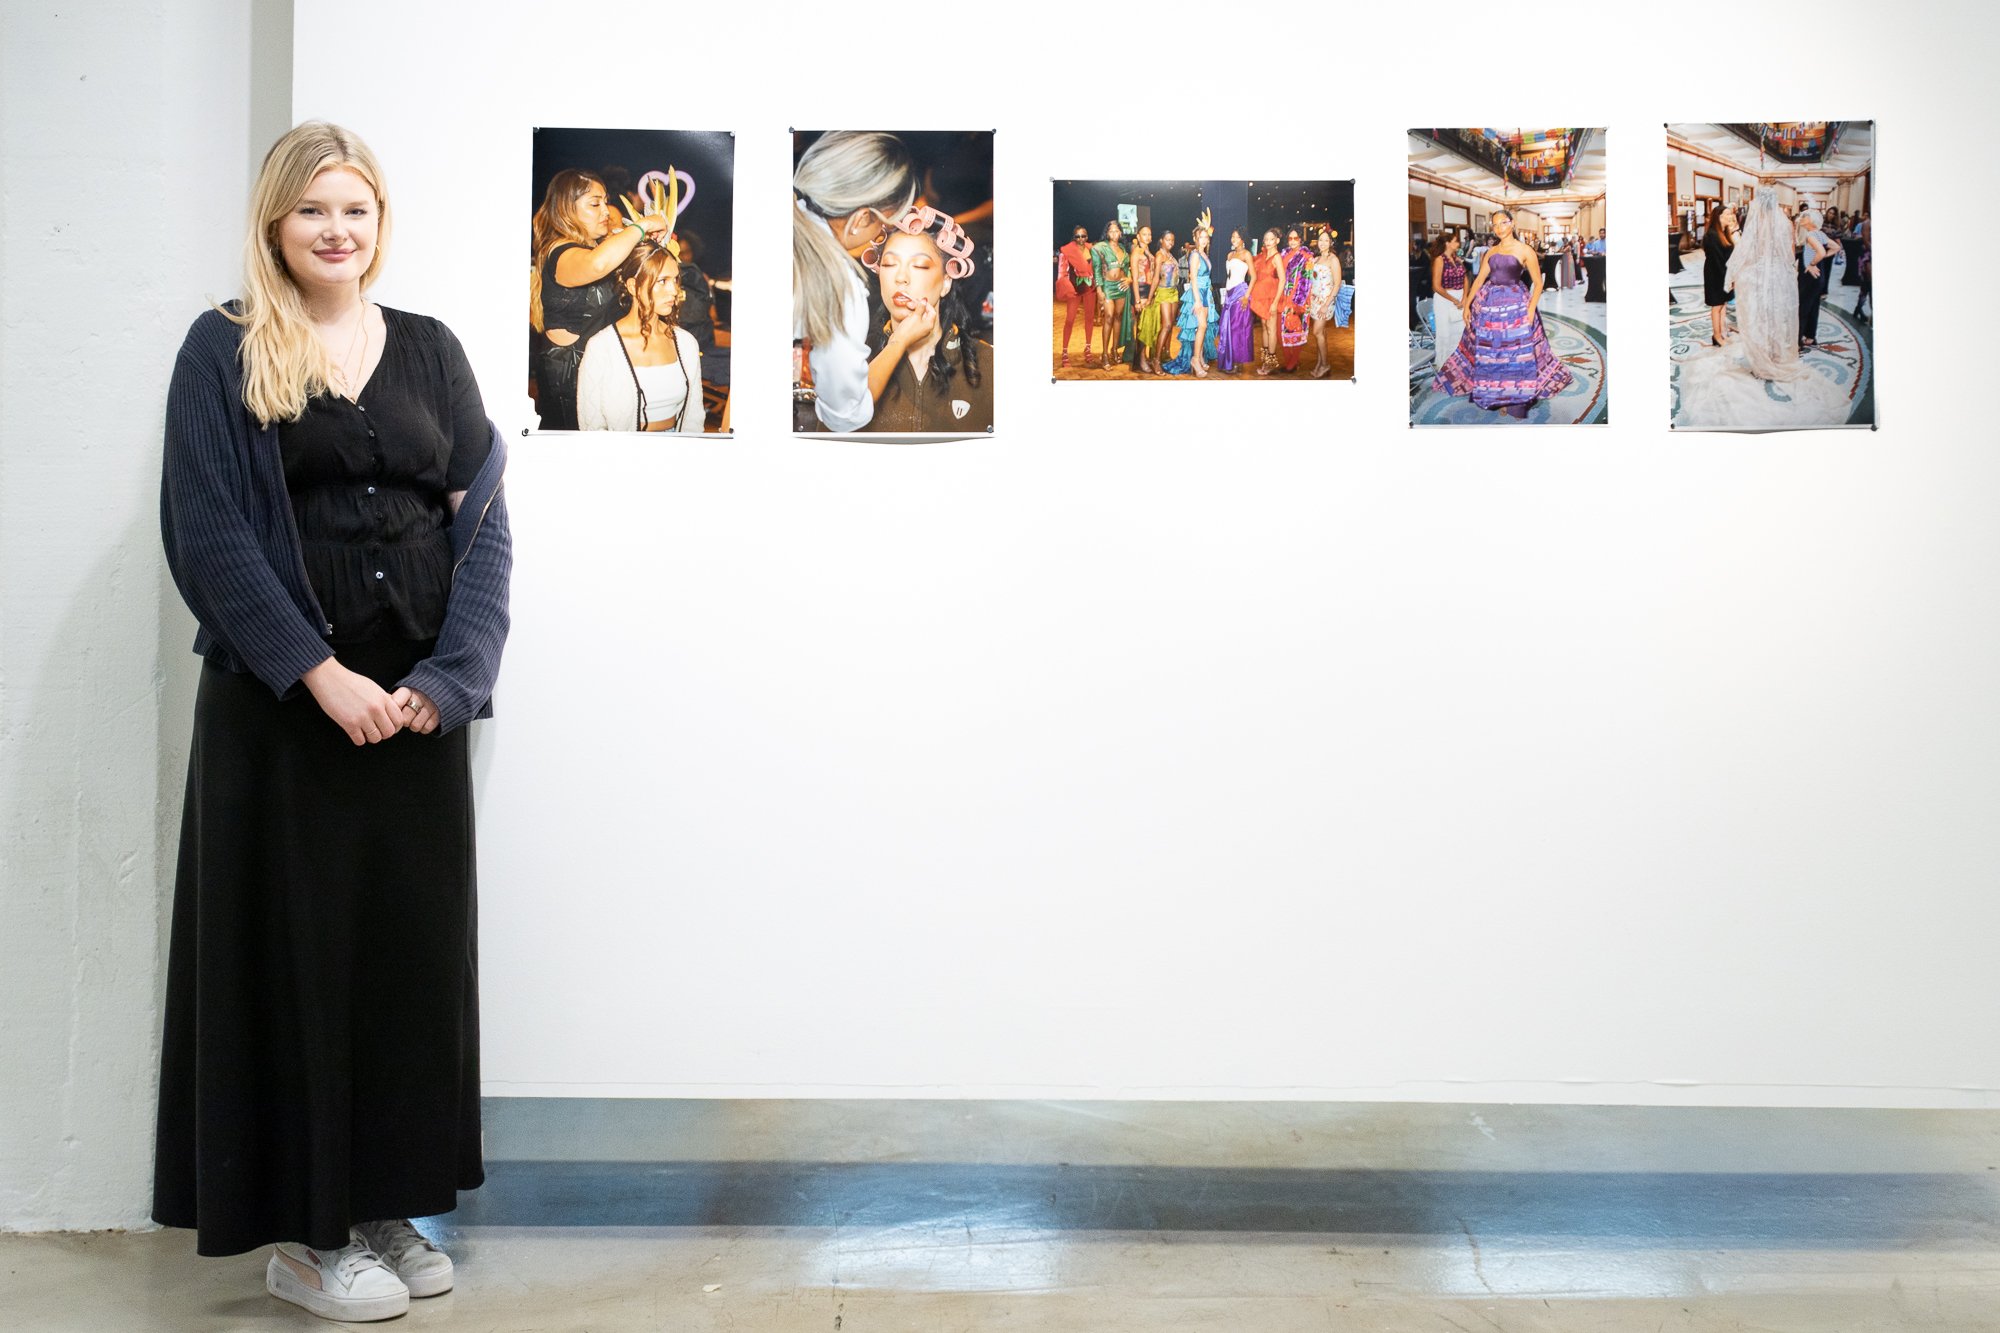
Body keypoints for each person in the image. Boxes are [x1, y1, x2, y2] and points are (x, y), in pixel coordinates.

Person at [154, 121, 511, 1323]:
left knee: (404, 969)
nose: (336, 230)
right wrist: (319, 672)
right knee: (294, 962)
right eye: (314, 210)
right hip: (283, 715)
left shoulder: (429, 350)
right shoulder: (223, 349)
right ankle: (302, 1241)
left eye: (355, 209)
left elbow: (484, 524)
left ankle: (380, 1208)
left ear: (378, 222)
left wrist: (450, 679)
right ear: (275, 224)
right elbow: (209, 533)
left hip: (414, 716)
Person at [793, 131, 918, 431]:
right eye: (881, 226)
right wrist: (900, 341)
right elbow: (844, 415)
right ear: (862, 218)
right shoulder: (840, 288)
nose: (902, 277)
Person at [530, 169, 669, 429]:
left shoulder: (592, 248)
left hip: (600, 371)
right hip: (571, 380)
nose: (605, 211)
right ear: (565, 209)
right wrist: (644, 225)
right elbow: (597, 265)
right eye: (595, 204)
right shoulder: (559, 251)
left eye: (605, 201)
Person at [851, 206, 991, 431]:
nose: (901, 277)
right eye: (889, 264)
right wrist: (898, 342)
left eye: (919, 265)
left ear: (946, 282)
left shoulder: (991, 365)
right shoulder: (851, 361)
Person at [1431, 207, 1572, 419]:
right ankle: (1496, 395)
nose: (1499, 228)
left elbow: (1538, 282)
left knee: (1515, 352)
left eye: (1503, 223)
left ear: (1512, 223)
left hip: (1517, 304)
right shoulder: (1491, 251)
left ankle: (1516, 397)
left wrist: (1531, 308)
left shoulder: (1525, 250)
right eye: (1495, 225)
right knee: (1493, 352)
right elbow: (1479, 280)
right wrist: (1468, 304)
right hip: (1489, 305)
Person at [576, 241, 704, 432]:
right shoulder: (602, 348)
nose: (674, 291)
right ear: (633, 286)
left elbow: (694, 416)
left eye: (676, 280)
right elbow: (591, 425)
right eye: (663, 281)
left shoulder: (685, 343)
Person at [1163, 217, 1220, 378]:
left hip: (1206, 293)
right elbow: (1193, 278)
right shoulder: (1195, 255)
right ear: (1195, 239)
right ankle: (1195, 359)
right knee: (1201, 326)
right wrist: (1197, 300)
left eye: (1205, 237)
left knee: (1204, 326)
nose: (1204, 240)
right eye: (1200, 237)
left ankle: (1200, 356)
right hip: (1198, 293)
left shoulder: (1204, 254)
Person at [1306, 226, 1351, 378]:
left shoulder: (1333, 259)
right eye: (1320, 240)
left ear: (1331, 242)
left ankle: (1325, 365)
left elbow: (1337, 283)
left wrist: (1326, 304)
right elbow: (1311, 278)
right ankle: (1320, 363)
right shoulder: (1316, 258)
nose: (1323, 243)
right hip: (1314, 299)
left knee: (1317, 332)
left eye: (1326, 240)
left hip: (1326, 301)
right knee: (1321, 333)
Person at [1055, 222, 1097, 368]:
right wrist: (1066, 288)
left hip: (1090, 288)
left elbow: (1097, 268)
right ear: (1074, 237)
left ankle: (1088, 349)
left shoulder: (1092, 250)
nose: (1080, 238)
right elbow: (1062, 273)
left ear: (1087, 236)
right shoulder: (1067, 251)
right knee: (1070, 320)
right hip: (1074, 289)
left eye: (1083, 236)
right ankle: (1065, 352)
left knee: (1089, 319)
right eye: (1077, 236)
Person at [1091, 221, 1132, 369]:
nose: (1114, 233)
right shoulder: (1100, 248)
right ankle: (1104, 354)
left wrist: (1129, 278)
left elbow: (1128, 269)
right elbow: (1096, 270)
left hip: (1121, 287)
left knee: (1118, 316)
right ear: (1107, 233)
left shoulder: (1123, 249)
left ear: (1120, 233)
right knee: (1108, 316)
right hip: (1108, 287)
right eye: (1111, 231)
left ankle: (1114, 349)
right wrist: (1099, 290)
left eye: (1117, 231)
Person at [1796, 209, 1838, 348]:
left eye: (1805, 216)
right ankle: (1810, 337)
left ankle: (1798, 342)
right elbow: (1836, 247)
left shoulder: (1811, 235)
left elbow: (1820, 251)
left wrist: (1812, 263)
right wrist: (1822, 257)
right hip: (1818, 278)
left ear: (1812, 220)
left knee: (1802, 308)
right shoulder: (1820, 234)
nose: (1801, 217)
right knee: (1813, 307)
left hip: (1810, 277)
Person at [1142, 231, 1181, 374]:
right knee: (1167, 325)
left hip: (1174, 292)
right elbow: (1156, 278)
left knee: (1170, 327)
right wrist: (1150, 297)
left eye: (1172, 240)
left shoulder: (1170, 255)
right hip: (1163, 293)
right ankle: (1156, 360)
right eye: (1167, 239)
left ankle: (1166, 354)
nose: (1170, 242)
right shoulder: (1159, 255)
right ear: (1161, 240)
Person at [1429, 229, 1468, 371]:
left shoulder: (1457, 258)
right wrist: (1453, 299)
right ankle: (1443, 365)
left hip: (1459, 298)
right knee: (1445, 332)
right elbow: (1436, 286)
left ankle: (1457, 363)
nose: (1458, 243)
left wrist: (1465, 298)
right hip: (1444, 300)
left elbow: (1465, 278)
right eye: (1455, 241)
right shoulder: (1439, 260)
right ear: (1447, 243)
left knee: (1459, 331)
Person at [1218, 229, 1256, 373]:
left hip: (1240, 292)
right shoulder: (1230, 254)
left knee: (1238, 329)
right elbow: (1229, 276)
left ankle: (1237, 362)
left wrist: (1246, 296)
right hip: (1229, 293)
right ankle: (1229, 360)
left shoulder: (1246, 254)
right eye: (1232, 236)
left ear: (1243, 239)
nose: (1234, 239)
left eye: (1237, 237)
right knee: (1227, 328)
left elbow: (1254, 277)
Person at [1275, 227, 1312, 372]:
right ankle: (1290, 361)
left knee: (1296, 330)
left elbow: (1306, 280)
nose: (1292, 241)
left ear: (1301, 239)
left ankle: (1292, 363)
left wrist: (1297, 302)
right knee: (1280, 332)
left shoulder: (1306, 256)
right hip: (1283, 296)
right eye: (1290, 238)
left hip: (1298, 298)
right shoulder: (1284, 254)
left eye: (1295, 238)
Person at [1701, 201, 1737, 347]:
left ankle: (1720, 333)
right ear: (1718, 217)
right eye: (1727, 214)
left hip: (1724, 274)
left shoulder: (1724, 233)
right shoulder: (1712, 235)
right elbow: (1717, 261)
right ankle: (1716, 336)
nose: (1730, 216)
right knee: (1716, 307)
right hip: (1716, 275)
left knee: (1722, 306)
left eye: (1730, 213)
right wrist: (1728, 279)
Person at [1251, 228, 1284, 375]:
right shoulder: (1261, 256)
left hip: (1271, 298)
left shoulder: (1277, 257)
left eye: (1271, 239)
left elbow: (1283, 280)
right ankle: (1265, 361)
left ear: (1277, 241)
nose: (1268, 242)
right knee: (1264, 328)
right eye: (1266, 239)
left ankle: (1270, 363)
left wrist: (1276, 302)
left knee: (1271, 330)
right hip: (1260, 297)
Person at [1127, 225, 1158, 373]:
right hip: (1140, 291)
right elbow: (1133, 278)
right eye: (1144, 234)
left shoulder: (1149, 252)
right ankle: (1141, 360)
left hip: (1150, 291)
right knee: (1141, 328)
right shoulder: (1136, 253)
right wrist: (1138, 300)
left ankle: (1143, 359)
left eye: (1149, 234)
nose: (1147, 237)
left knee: (1147, 327)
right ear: (1138, 237)